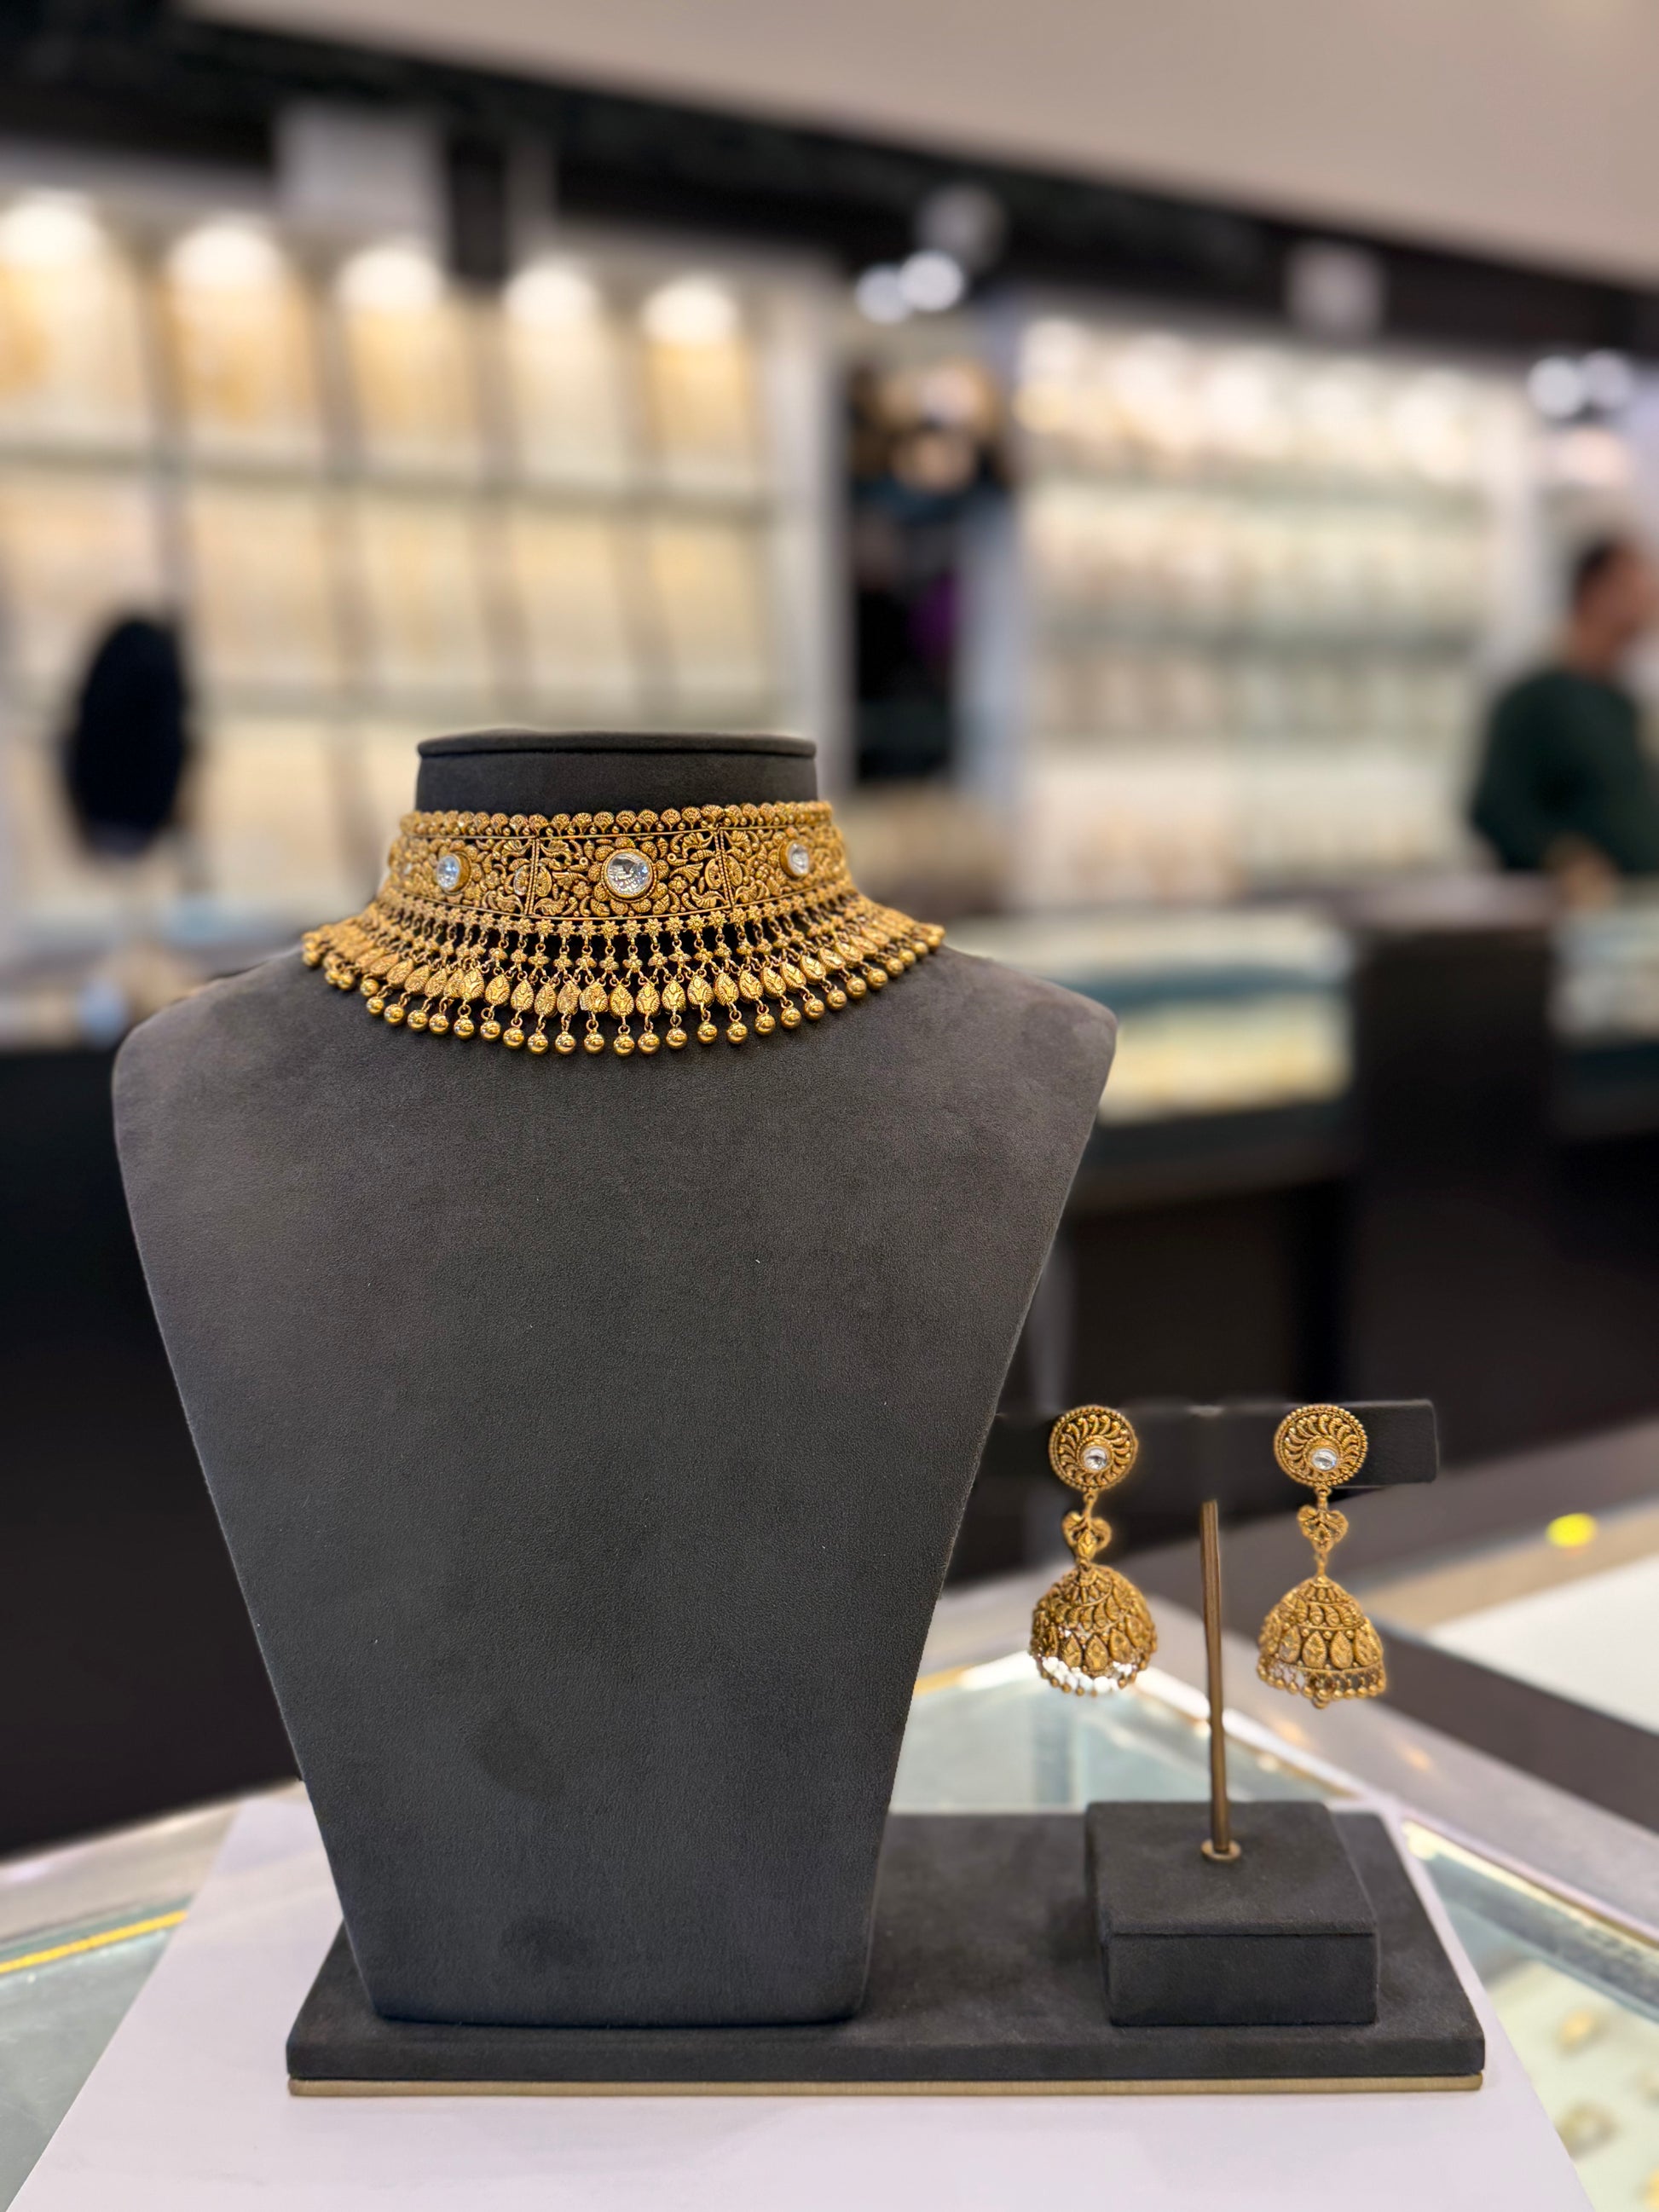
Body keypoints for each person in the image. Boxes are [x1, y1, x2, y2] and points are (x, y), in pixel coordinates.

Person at [1471, 535, 1659, 896]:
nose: (1651, 599)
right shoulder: (1535, 699)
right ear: (1596, 591)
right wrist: (1562, 856)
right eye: (1637, 585)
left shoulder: (1624, 705)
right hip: (1569, 916)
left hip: (1637, 908)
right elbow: (1493, 807)